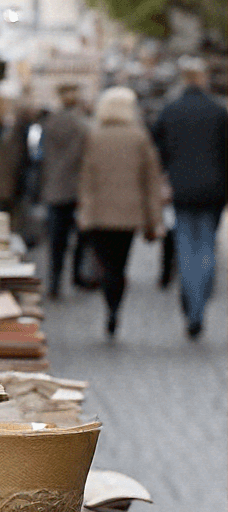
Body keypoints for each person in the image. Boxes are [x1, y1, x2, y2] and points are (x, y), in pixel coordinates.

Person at [76, 87, 165, 337]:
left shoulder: (95, 136)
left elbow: (86, 178)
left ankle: (109, 304)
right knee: (120, 264)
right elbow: (150, 181)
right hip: (128, 215)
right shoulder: (139, 137)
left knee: (105, 264)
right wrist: (153, 220)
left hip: (98, 215)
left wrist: (85, 210)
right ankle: (115, 308)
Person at [152, 57, 228, 339]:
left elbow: (156, 149)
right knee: (207, 245)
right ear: (203, 79)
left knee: (186, 247)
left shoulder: (171, 110)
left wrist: (164, 179)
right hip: (213, 190)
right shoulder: (218, 112)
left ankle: (192, 303)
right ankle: (198, 304)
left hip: (181, 190)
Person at [40, 84, 88, 298]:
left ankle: (55, 280)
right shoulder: (81, 125)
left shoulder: (49, 123)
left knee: (56, 241)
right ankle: (77, 276)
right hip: (76, 188)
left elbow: (41, 156)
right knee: (80, 238)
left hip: (55, 188)